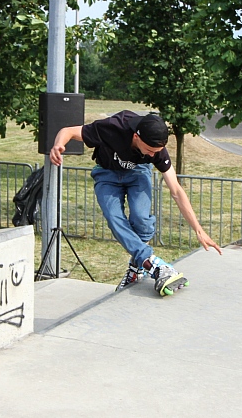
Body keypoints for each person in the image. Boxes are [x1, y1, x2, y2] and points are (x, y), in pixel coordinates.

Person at [49, 111, 222, 296]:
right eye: (149, 150)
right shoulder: (112, 127)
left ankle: (137, 266)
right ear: (135, 136)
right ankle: (153, 264)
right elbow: (68, 131)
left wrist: (198, 229)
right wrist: (58, 145)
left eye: (156, 152)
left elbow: (177, 191)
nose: (152, 155)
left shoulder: (157, 151)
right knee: (113, 216)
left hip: (138, 173)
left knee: (141, 219)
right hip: (106, 173)